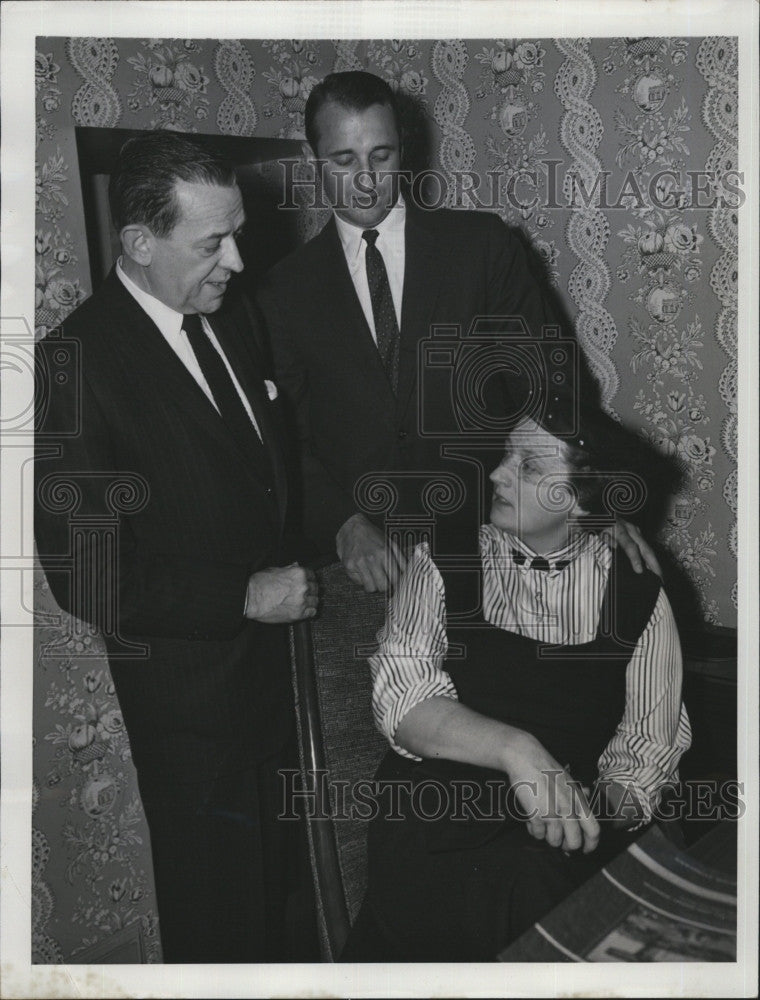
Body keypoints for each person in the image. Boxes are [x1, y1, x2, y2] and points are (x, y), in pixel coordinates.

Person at [34, 132, 318, 963]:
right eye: (212, 242)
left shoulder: (231, 316)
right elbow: (85, 573)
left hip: (290, 689)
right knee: (226, 931)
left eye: (236, 233)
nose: (236, 258)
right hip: (195, 721)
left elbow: (262, 480)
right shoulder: (76, 364)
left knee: (304, 913)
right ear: (138, 244)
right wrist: (242, 595)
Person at [257, 70, 657, 594]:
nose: (365, 179)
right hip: (360, 569)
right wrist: (343, 523)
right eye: (343, 159)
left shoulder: (481, 247)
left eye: (381, 156)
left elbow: (550, 389)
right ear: (314, 164)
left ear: (404, 152)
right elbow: (286, 436)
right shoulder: (282, 289)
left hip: (495, 547)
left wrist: (589, 507)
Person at [340, 398, 692, 962]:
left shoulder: (639, 593)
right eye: (507, 455)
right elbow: (401, 701)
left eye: (528, 466)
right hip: (435, 826)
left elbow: (647, 748)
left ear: (580, 503)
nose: (499, 473)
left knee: (558, 888)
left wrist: (589, 817)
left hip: (561, 833)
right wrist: (518, 751)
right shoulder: (443, 561)